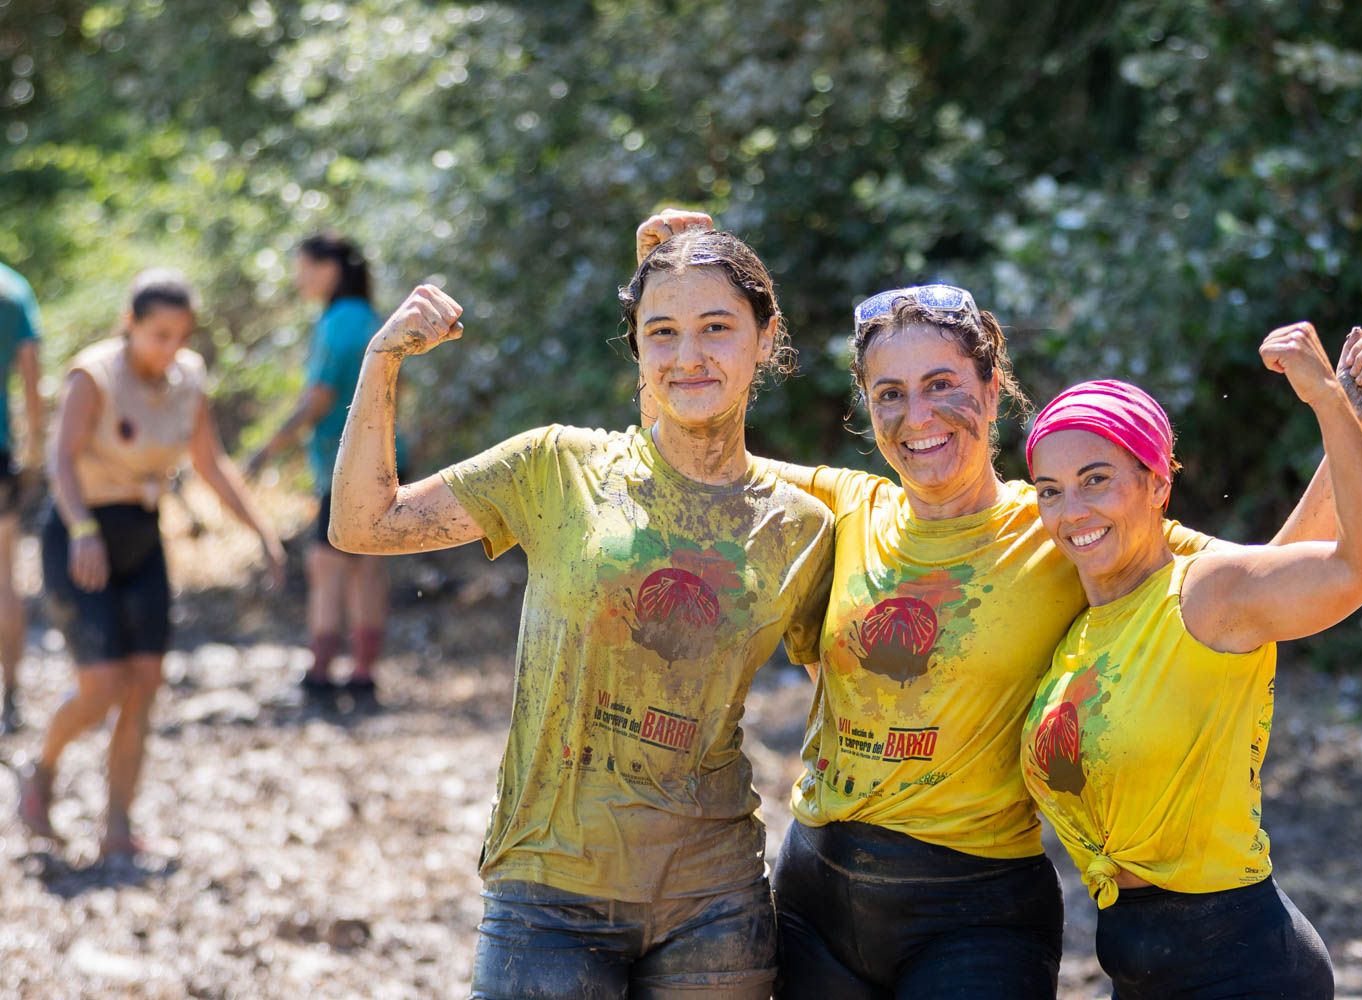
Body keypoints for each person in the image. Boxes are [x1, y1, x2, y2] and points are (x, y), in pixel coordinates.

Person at [633, 209, 1362, 998]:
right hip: (817, 895)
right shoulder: (838, 508)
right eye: (890, 394)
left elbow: (1266, 581)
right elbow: (685, 464)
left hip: (975, 911)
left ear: (992, 385)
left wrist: (1350, 424)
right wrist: (672, 295)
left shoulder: (1065, 525)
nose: (917, 416)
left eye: (942, 386)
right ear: (866, 408)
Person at [328, 230, 834, 999]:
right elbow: (364, 523)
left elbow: (845, 698)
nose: (688, 354)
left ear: (767, 339)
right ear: (635, 350)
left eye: (717, 327)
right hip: (548, 888)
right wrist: (382, 358)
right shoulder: (557, 466)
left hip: (716, 900)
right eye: (661, 332)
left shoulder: (802, 525)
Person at [1020, 323, 1362, 998]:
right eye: (1049, 489)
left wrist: (1329, 406)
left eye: (1096, 480)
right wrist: (1358, 429)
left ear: (1156, 485)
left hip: (1242, 967)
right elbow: (1283, 556)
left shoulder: (1203, 591)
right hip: (1137, 968)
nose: (1070, 509)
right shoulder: (1083, 630)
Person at [17, 269, 285, 860]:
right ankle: (41, 773)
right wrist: (83, 528)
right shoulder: (95, 374)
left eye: (180, 336)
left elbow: (211, 464)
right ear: (130, 324)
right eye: (158, 334)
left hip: (141, 538)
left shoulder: (188, 380)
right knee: (100, 686)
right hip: (79, 536)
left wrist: (262, 531)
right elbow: (60, 462)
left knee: (142, 687)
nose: (170, 348)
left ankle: (118, 826)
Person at [247, 235, 395, 697]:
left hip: (344, 462)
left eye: (305, 267)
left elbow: (319, 397)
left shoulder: (337, 323)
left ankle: (319, 673)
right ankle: (364, 674)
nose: (299, 278)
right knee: (367, 566)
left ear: (330, 268)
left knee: (326, 565)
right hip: (387, 456)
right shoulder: (372, 317)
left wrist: (268, 448)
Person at [0, 262, 44, 733]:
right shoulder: (13, 289)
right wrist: (34, 451)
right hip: (0, 450)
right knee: (4, 577)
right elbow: (32, 377)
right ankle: (10, 697)